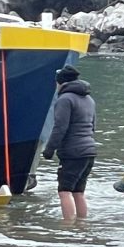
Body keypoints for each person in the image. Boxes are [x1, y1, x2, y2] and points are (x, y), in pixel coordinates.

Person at [42, 64, 97, 221]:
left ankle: (68, 228)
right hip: (89, 150)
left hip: (73, 152)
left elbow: (60, 127)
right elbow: (93, 126)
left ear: (61, 83)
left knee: (64, 191)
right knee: (78, 192)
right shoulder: (89, 99)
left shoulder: (65, 99)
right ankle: (81, 225)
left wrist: (49, 149)